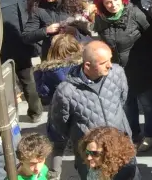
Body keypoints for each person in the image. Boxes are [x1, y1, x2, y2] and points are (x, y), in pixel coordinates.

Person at [91, 0, 152, 150]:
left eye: (115, 0)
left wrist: (144, 53)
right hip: (119, 70)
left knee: (147, 103)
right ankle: (133, 134)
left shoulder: (135, 13)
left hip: (141, 67)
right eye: (108, 2)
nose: (113, 5)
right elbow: (102, 40)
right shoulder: (101, 19)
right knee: (128, 104)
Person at [46, 42, 132, 178]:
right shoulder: (66, 91)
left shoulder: (117, 73)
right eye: (104, 62)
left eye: (110, 59)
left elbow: (122, 99)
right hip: (91, 155)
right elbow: (60, 123)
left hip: (120, 146)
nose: (110, 65)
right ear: (87, 65)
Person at [24, 0, 92, 59]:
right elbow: (27, 37)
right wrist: (46, 30)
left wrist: (74, 30)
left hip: (74, 53)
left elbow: (87, 33)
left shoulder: (75, 5)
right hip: (51, 56)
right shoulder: (38, 9)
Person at [36, 33, 84, 107]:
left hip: (58, 102)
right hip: (79, 101)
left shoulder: (52, 69)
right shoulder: (81, 64)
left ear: (53, 51)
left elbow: (42, 91)